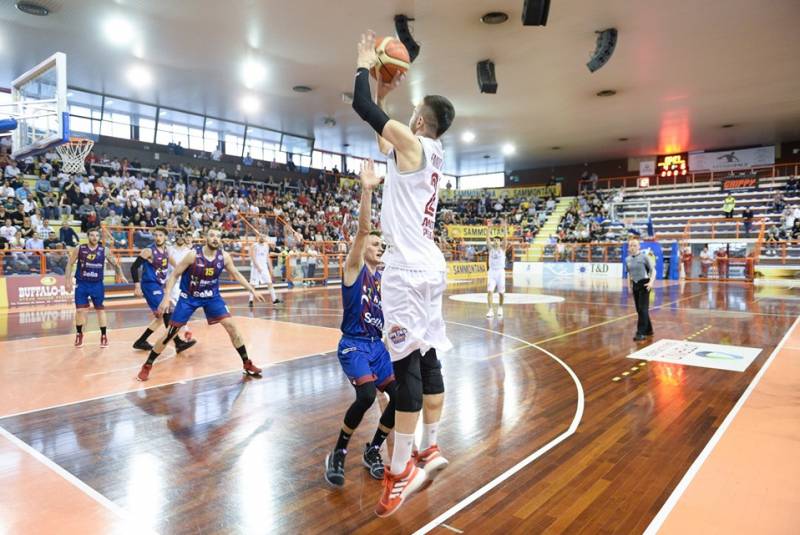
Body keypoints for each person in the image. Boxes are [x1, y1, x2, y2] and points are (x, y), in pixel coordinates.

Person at [352, 30, 455, 516]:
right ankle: (430, 445)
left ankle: (400, 471)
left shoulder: (412, 144)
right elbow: (382, 132)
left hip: (407, 270)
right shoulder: (431, 154)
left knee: (406, 366)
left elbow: (362, 112)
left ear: (418, 121)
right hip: (430, 264)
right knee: (428, 354)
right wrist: (384, 92)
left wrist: (362, 67)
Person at [324, 160, 398, 487]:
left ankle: (373, 449)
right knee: (367, 396)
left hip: (377, 346)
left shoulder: (385, 275)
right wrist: (367, 190)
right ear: (362, 249)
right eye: (376, 244)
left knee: (405, 398)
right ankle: (339, 451)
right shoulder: (354, 268)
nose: (380, 246)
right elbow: (364, 230)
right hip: (353, 343)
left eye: (383, 245)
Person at [136, 227, 265, 381]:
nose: (215, 238)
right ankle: (148, 365)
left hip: (212, 297)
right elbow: (175, 274)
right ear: (205, 237)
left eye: (218, 235)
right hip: (189, 297)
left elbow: (236, 274)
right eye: (212, 235)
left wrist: (252, 290)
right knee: (170, 334)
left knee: (232, 327)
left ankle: (247, 363)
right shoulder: (193, 255)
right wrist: (166, 296)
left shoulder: (224, 257)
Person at [130, 227, 196, 353]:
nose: (158, 237)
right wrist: (137, 285)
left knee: (161, 318)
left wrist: (190, 274)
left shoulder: (166, 251)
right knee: (167, 310)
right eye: (155, 235)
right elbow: (134, 268)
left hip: (158, 285)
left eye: (160, 235)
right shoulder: (148, 251)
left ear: (165, 237)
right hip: (150, 285)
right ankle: (178, 343)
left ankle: (140, 341)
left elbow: (178, 266)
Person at [64, 228, 128, 348]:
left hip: (97, 284)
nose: (94, 237)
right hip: (82, 283)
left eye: (96, 235)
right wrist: (67, 281)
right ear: (88, 236)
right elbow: (70, 264)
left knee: (100, 310)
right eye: (92, 235)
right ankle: (79, 334)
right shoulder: (80, 248)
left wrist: (122, 275)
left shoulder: (104, 250)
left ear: (99, 237)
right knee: (79, 311)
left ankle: (103, 335)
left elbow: (115, 264)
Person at [626, 238, 655, 342]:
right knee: (640, 310)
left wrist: (651, 282)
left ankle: (640, 333)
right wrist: (629, 286)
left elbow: (653, 271)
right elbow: (629, 273)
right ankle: (649, 330)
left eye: (634, 245)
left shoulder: (644, 257)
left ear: (639, 247)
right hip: (635, 285)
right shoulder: (627, 259)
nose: (632, 247)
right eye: (630, 245)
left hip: (645, 284)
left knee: (643, 309)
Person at [248, 234, 281, 306]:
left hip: (264, 267)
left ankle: (274, 299)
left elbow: (267, 257)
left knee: (269, 282)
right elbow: (253, 257)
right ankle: (250, 300)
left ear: (265, 238)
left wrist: (271, 268)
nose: (262, 238)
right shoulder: (254, 245)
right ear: (258, 237)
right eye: (261, 236)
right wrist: (258, 267)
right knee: (253, 284)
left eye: (263, 236)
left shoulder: (266, 246)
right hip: (255, 267)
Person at [485, 219, 509, 318]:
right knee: (490, 291)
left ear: (500, 242)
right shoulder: (491, 249)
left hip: (500, 272)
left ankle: (500, 307)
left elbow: (506, 238)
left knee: (501, 293)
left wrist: (504, 228)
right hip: (492, 272)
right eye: (494, 240)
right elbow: (487, 239)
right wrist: (489, 229)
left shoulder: (503, 249)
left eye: (498, 240)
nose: (496, 241)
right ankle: (490, 310)